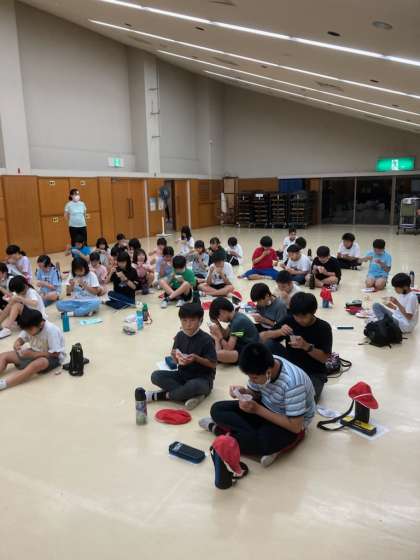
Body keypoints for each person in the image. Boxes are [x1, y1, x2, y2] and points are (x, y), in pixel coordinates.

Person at [199, 343, 315, 468]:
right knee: (217, 409)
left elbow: (295, 426)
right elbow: (256, 393)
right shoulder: (262, 365)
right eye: (249, 377)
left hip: (289, 422)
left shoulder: (293, 384)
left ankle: (219, 430)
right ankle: (252, 437)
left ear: (268, 372)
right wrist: (244, 392)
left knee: (266, 442)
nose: (251, 380)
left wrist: (257, 410)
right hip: (266, 407)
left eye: (254, 378)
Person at [260, 292, 332, 402]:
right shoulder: (289, 320)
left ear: (313, 312)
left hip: (314, 371)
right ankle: (273, 377)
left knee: (307, 400)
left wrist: (306, 346)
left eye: (304, 317)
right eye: (296, 316)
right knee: (269, 345)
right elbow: (262, 337)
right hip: (291, 365)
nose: (299, 320)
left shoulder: (324, 328)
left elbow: (324, 358)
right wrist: (279, 332)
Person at [147, 303, 217, 410]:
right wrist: (174, 356)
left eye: (192, 320)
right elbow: (176, 362)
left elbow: (213, 364)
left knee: (193, 386)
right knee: (155, 376)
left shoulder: (207, 340)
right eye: (184, 320)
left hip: (202, 379)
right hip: (182, 375)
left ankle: (162, 395)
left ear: (200, 321)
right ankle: (190, 395)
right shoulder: (180, 336)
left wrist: (196, 358)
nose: (188, 324)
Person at [0, 309, 65, 391]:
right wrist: (17, 343)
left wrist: (33, 354)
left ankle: (4, 384)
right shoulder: (29, 326)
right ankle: (28, 366)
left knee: (38, 364)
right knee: (4, 356)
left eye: (29, 330)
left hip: (51, 358)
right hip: (34, 352)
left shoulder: (51, 330)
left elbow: (56, 353)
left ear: (41, 324)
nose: (27, 332)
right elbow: (21, 338)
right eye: (25, 330)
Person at [208, 297, 259, 364]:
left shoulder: (238, 322)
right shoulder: (235, 316)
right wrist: (217, 324)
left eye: (218, 317)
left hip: (249, 351)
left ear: (222, 312)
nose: (220, 320)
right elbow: (226, 334)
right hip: (240, 343)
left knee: (218, 354)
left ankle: (215, 355)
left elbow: (228, 349)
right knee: (209, 339)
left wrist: (218, 337)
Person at [0, 275, 47, 339]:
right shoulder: (20, 291)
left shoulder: (31, 292)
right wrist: (9, 299)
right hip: (30, 315)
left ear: (25, 286)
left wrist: (21, 299)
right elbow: (13, 296)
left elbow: (35, 303)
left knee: (16, 305)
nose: (18, 294)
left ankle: (7, 328)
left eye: (19, 292)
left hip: (38, 317)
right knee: (12, 303)